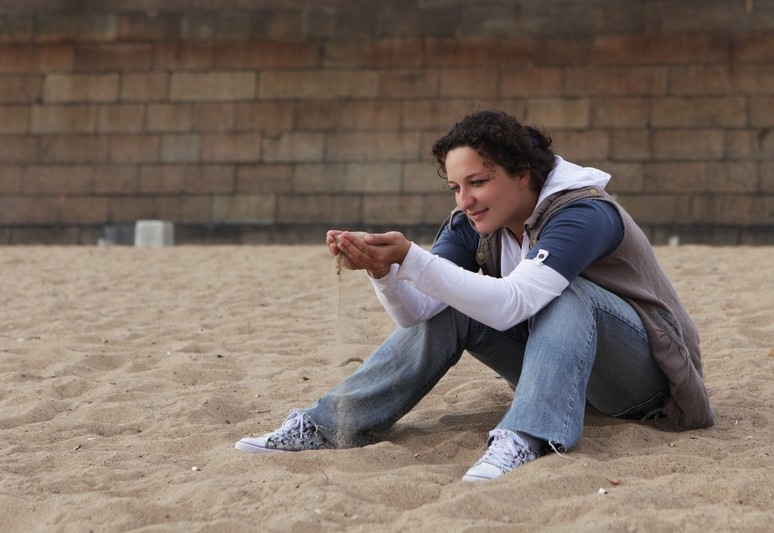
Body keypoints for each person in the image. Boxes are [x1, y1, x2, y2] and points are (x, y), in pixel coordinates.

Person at [235, 109, 714, 482]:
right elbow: (421, 313)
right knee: (453, 297)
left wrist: (414, 260)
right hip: (568, 380)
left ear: (522, 173)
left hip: (645, 384)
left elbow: (515, 303)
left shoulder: (582, 212)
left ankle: (527, 435)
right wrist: (386, 272)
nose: (464, 201)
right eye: (456, 187)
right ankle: (331, 424)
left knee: (567, 293)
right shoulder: (472, 223)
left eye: (478, 183)